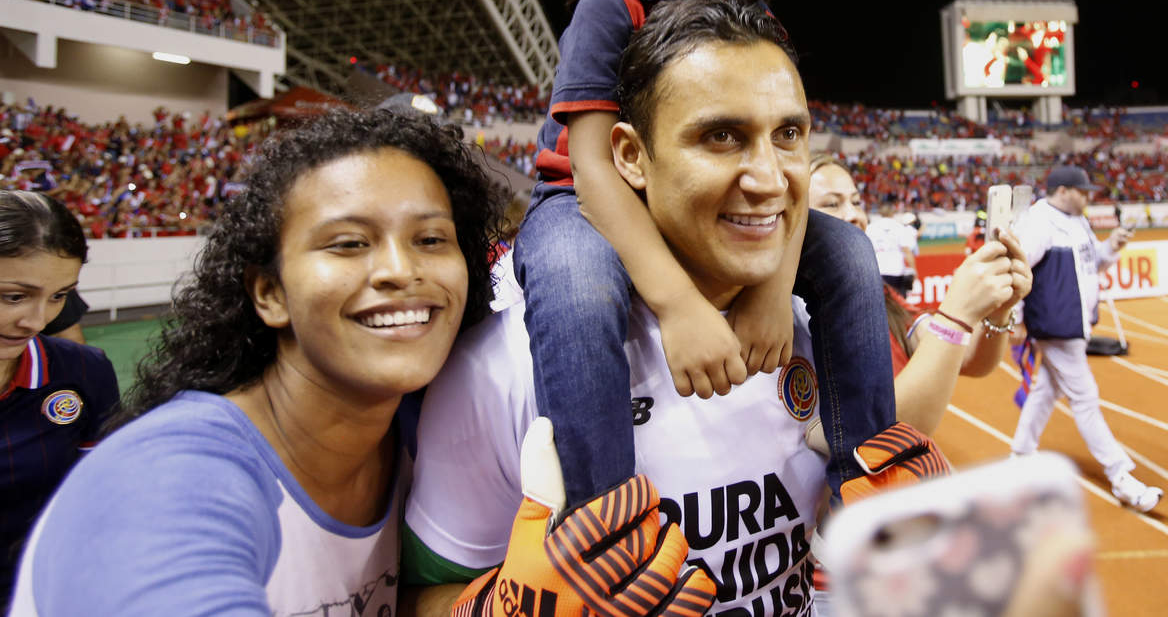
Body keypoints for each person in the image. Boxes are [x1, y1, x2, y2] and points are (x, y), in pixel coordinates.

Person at [11, 109, 706, 617]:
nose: (401, 269)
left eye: (432, 238)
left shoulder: (412, 443)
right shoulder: (169, 479)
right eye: (348, 244)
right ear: (269, 291)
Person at [404, 0, 960, 617]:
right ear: (631, 157)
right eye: (721, 136)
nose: (770, 178)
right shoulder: (503, 369)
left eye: (789, 134)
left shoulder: (820, 331)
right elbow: (419, 593)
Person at [516, 0, 893, 515]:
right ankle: (604, 523)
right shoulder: (613, 0)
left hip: (689, 206)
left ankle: (870, 487)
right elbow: (593, 167)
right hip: (586, 205)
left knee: (846, 253)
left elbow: (792, 173)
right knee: (576, 282)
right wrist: (681, 305)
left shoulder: (761, 26)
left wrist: (772, 290)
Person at [804, 156, 1031, 436]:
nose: (854, 215)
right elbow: (879, 434)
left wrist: (999, 310)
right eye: (832, 204)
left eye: (857, 202)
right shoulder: (780, 316)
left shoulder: (879, 295)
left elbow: (971, 360)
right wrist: (956, 315)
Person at [1008, 165, 1162, 512]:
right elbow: (1018, 268)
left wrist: (1113, 246)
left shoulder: (1078, 222)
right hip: (1056, 325)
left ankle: (1020, 455)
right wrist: (1016, 317)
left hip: (1073, 325)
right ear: (1063, 190)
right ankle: (1120, 474)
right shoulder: (1039, 222)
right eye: (1083, 191)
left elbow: (1097, 263)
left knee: (1046, 390)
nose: (1089, 196)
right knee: (1085, 398)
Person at [0, 191, 118, 609]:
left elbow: (97, 501)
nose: (36, 320)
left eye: (58, 296)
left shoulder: (85, 373)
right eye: (13, 296)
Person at [864, 198, 918, 297]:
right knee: (898, 304)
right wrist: (914, 270)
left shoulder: (870, 228)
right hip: (896, 271)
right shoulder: (899, 227)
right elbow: (907, 251)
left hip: (877, 271)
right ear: (893, 212)